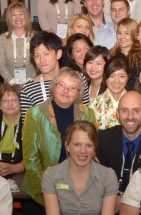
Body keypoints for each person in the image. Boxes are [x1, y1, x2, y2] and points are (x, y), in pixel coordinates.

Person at [21, 68, 96, 206]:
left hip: (77, 188)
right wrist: (46, 189)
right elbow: (30, 157)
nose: (65, 91)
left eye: (72, 88)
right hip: (41, 188)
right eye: (61, 85)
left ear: (78, 94)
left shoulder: (88, 114)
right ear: (53, 87)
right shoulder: (35, 114)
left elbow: (92, 153)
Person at [97, 91, 141, 195]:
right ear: (117, 114)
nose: (130, 116)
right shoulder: (102, 140)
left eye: (136, 111)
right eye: (124, 110)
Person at [19, 31, 64, 120]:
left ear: (58, 54)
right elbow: (28, 128)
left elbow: (86, 119)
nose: (41, 60)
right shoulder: (28, 89)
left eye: (46, 54)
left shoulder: (78, 80)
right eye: (37, 55)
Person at [0, 2, 36, 85]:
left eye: (21, 14)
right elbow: (0, 65)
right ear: (9, 18)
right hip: (9, 85)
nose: (18, 18)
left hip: (32, 83)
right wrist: (12, 82)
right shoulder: (3, 38)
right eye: (14, 15)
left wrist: (29, 81)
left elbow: (40, 63)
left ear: (26, 16)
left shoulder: (35, 37)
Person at [90, 56, 129, 129]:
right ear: (106, 78)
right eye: (112, 76)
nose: (116, 81)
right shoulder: (94, 105)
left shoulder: (136, 102)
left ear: (128, 78)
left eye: (122, 76)